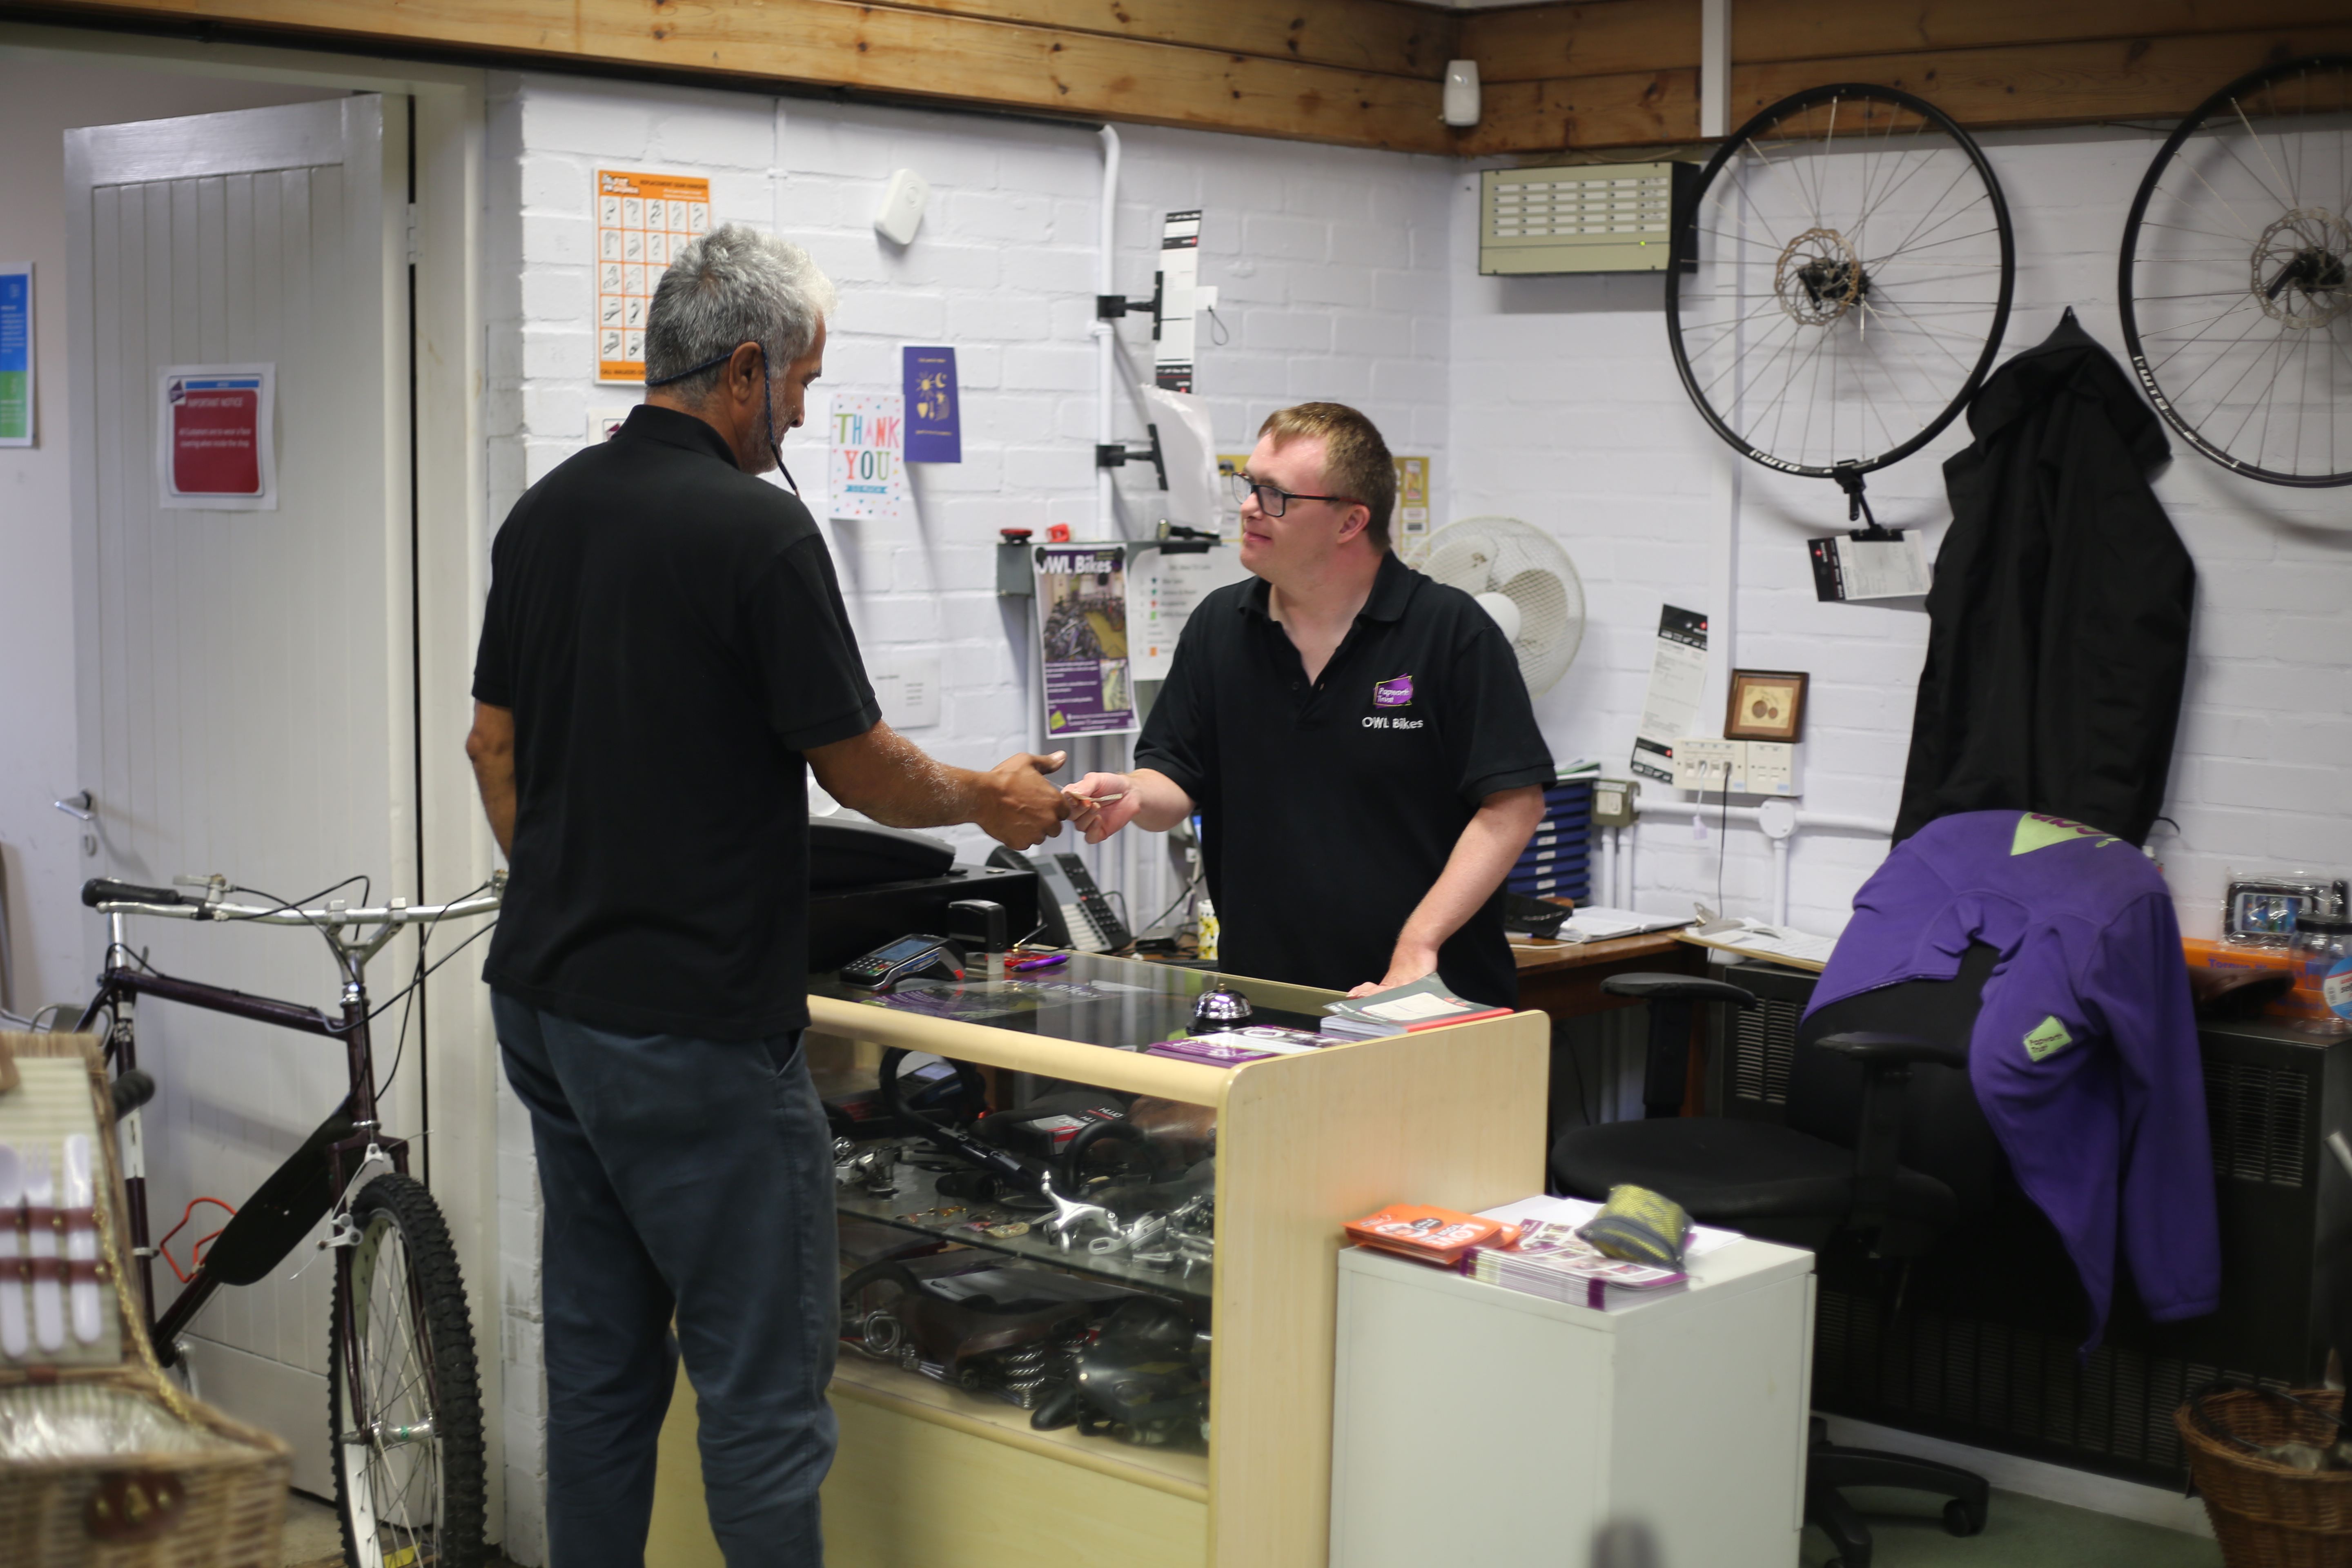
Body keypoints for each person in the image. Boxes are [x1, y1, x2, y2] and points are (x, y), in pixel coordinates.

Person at [463, 225, 1073, 1568]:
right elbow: (864, 775)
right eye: (798, 380)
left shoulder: (546, 512)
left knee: (604, 1370)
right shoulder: (758, 528)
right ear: (742, 369)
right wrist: (990, 798)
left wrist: (580, 890)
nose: (800, 408)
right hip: (690, 1033)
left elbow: (490, 749)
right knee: (760, 1399)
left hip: (551, 1007)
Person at [1067, 402, 1551, 1007]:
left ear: (1350, 522)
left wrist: (1418, 944)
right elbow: (1175, 777)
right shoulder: (1219, 625)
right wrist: (1135, 794)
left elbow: (1514, 807)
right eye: (1249, 486)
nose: (1248, 506)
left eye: (1276, 495)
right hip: (1263, 1000)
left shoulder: (1451, 633)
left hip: (1424, 999)